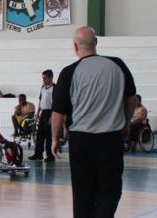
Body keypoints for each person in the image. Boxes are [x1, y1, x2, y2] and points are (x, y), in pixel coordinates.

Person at [51, 26, 136, 218]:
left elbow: (58, 112)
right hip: (110, 138)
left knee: (82, 190)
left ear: (75, 46)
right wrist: (126, 123)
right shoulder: (118, 65)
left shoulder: (69, 72)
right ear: (96, 42)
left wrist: (55, 138)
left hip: (81, 140)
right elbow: (131, 98)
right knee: (110, 187)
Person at [29, 70, 55, 161]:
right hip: (43, 113)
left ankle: (50, 156)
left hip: (51, 113)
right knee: (39, 135)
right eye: (42, 78)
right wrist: (37, 113)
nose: (43, 80)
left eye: (45, 78)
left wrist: (52, 116)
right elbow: (40, 101)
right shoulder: (43, 87)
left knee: (49, 136)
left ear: (51, 77)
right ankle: (38, 154)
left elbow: (56, 103)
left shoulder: (55, 88)